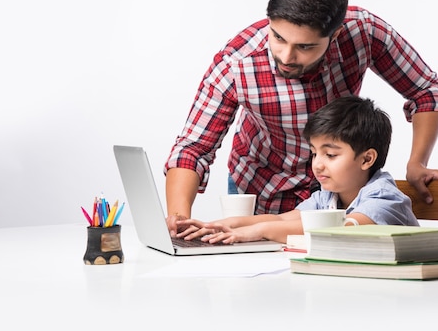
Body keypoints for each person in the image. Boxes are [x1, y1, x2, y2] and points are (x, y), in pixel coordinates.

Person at [165, 0, 438, 236]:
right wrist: (179, 220)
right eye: (277, 38)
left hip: (338, 194)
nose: (287, 57)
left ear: (336, 34)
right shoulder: (238, 64)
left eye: (304, 46)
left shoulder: (363, 33)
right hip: (263, 189)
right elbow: (193, 148)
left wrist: (417, 162)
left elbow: (426, 91)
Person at [176, 96, 419, 244]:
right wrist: (218, 225)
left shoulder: (384, 197)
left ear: (366, 159)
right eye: (314, 153)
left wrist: (258, 231)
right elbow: (281, 219)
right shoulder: (328, 196)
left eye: (330, 154)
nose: (318, 164)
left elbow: (340, 230)